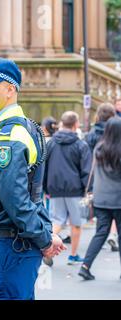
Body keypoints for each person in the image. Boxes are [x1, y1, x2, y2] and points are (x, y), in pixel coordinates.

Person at [0, 58, 65, 300]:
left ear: (10, 89)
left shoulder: (11, 134)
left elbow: (13, 197)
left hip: (7, 247)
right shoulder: (5, 129)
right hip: (8, 246)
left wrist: (43, 239)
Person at [44, 111, 92, 265]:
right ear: (76, 125)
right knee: (76, 223)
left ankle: (46, 248)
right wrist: (88, 190)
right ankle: (73, 255)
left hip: (55, 188)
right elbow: (86, 170)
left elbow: (44, 166)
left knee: (57, 220)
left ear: (61, 123)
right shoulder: (80, 144)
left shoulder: (51, 143)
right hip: (75, 190)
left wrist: (45, 188)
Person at [78, 117, 121, 280]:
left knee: (100, 233)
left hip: (101, 199)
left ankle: (85, 265)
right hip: (118, 200)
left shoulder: (99, 148)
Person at [84, 103, 119, 252]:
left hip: (97, 182)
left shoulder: (91, 136)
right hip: (114, 187)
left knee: (101, 226)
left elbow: (86, 159)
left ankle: (86, 265)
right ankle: (112, 234)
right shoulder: (116, 136)